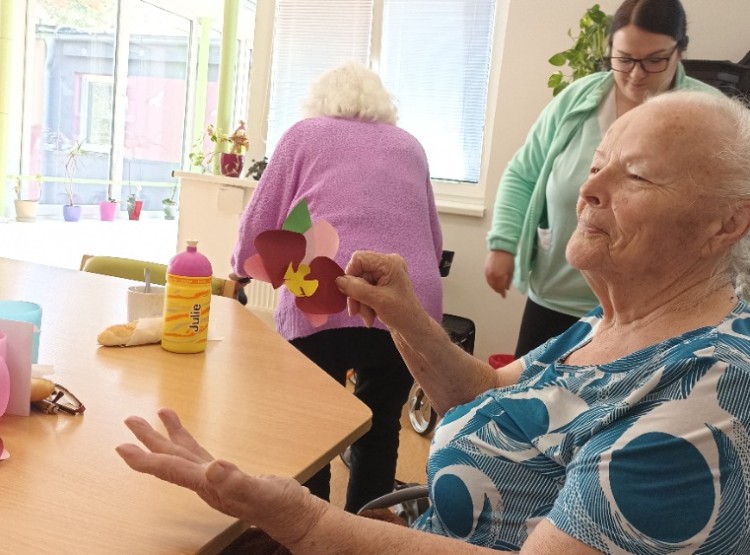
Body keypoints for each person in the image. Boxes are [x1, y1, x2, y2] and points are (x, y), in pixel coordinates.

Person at [117, 90, 750, 553]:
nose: (587, 190)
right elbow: (495, 394)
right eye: (595, 165)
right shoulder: (608, 322)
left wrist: (309, 524)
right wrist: (410, 321)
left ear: (729, 222)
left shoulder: (712, 392)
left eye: (634, 174)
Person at [228, 61, 443, 513]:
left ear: (320, 102)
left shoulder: (304, 134)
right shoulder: (410, 145)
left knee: (313, 426)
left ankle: (313, 530)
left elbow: (261, 220)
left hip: (322, 294)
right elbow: (433, 238)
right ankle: (364, 534)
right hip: (403, 302)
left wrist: (239, 268)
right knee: (380, 424)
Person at [484, 0, 719, 358]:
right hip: (557, 295)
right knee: (525, 401)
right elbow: (523, 172)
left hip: (651, 307)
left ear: (680, 51)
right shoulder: (577, 100)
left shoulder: (708, 115)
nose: (636, 75)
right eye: (623, 59)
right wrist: (502, 244)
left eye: (655, 60)